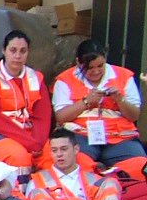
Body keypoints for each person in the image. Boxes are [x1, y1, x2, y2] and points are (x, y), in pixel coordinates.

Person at [51, 39, 146, 168]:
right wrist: (85, 102)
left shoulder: (124, 76)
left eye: (100, 66)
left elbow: (134, 115)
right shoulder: (65, 79)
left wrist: (119, 100)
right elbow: (61, 117)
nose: (96, 71)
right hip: (81, 136)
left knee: (141, 167)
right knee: (77, 165)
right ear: (78, 63)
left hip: (120, 137)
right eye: (89, 68)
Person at [0, 29, 53, 170]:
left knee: (51, 157)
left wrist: (38, 143)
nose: (17, 56)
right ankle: (18, 192)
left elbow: (43, 116)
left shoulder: (36, 77)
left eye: (23, 51)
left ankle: (46, 191)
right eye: (13, 50)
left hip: (32, 136)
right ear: (4, 51)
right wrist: (29, 143)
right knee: (20, 158)